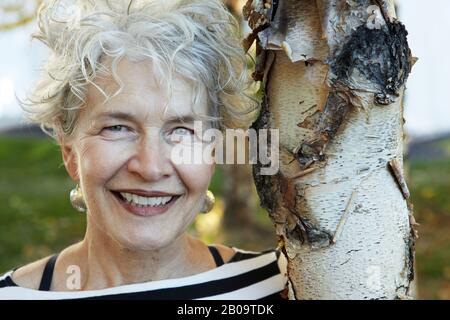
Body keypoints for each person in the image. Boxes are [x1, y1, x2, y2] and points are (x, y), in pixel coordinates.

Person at [0, 0, 287, 299]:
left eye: (182, 131)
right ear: (69, 152)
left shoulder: (280, 288)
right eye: (117, 128)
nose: (150, 168)